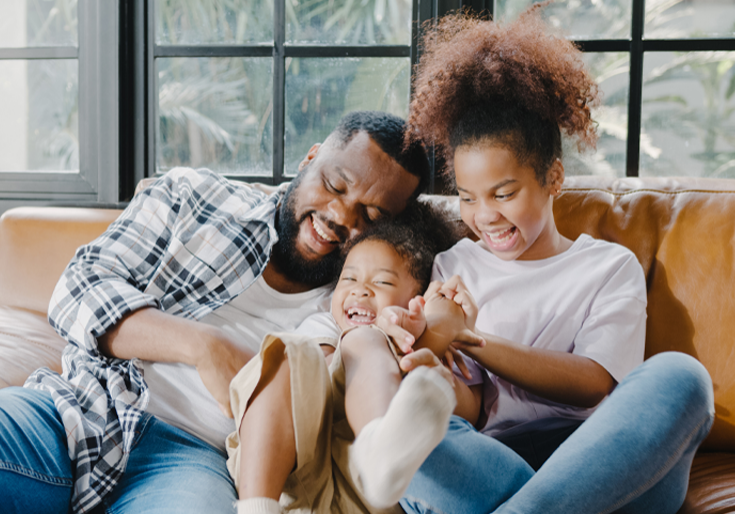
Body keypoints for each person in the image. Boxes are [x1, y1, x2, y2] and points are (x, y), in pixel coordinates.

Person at [0, 111, 430, 514]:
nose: (339, 216)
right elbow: (79, 287)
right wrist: (203, 345)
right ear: (311, 157)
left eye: (370, 216)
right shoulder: (194, 197)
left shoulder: (357, 302)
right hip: (78, 408)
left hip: (195, 459)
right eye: (335, 185)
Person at [380, 8, 716, 514]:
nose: (484, 216)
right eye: (467, 198)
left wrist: (469, 336)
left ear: (552, 178)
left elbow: (592, 385)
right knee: (400, 421)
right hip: (493, 463)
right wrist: (426, 352)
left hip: (606, 463)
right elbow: (469, 410)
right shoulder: (455, 265)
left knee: (682, 377)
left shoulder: (608, 267)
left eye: (504, 192)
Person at [228, 202, 485, 514]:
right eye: (348, 279)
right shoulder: (326, 325)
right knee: (287, 353)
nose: (360, 290)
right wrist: (376, 336)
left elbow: (469, 413)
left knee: (380, 350)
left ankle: (382, 454)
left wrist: (427, 345)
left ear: (416, 298)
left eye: (383, 282)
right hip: (291, 472)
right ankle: (256, 509)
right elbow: (312, 383)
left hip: (363, 494)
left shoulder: (428, 344)